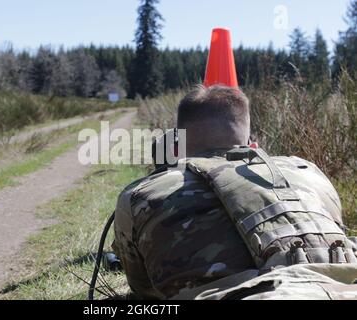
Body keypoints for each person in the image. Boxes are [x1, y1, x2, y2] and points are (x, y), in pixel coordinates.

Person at [112, 84, 357, 300]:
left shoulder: (141, 194)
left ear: (177, 146)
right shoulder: (307, 171)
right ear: (253, 145)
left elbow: (144, 291)